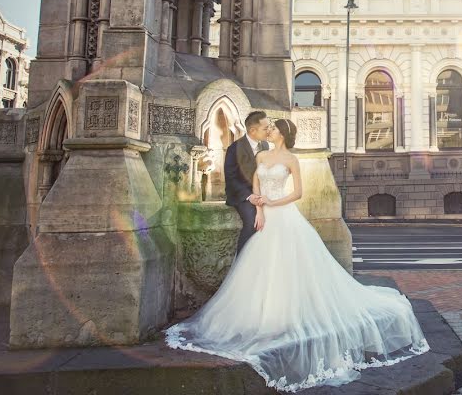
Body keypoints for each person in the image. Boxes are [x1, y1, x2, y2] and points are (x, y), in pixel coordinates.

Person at [165, 118, 429, 392]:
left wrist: (272, 202)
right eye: (271, 128)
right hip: (265, 214)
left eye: (275, 128)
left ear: (283, 134)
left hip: (285, 215)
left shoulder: (291, 159)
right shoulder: (263, 154)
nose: (271, 130)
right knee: (260, 265)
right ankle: (263, 316)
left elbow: (298, 192)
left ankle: (285, 316)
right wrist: (258, 208)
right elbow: (256, 180)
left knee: (289, 265)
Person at [224, 110, 272, 254]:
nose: (269, 130)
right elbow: (231, 179)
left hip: (262, 192)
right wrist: (250, 196)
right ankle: (242, 262)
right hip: (241, 195)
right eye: (265, 128)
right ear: (253, 130)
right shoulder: (234, 149)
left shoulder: (265, 146)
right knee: (252, 223)